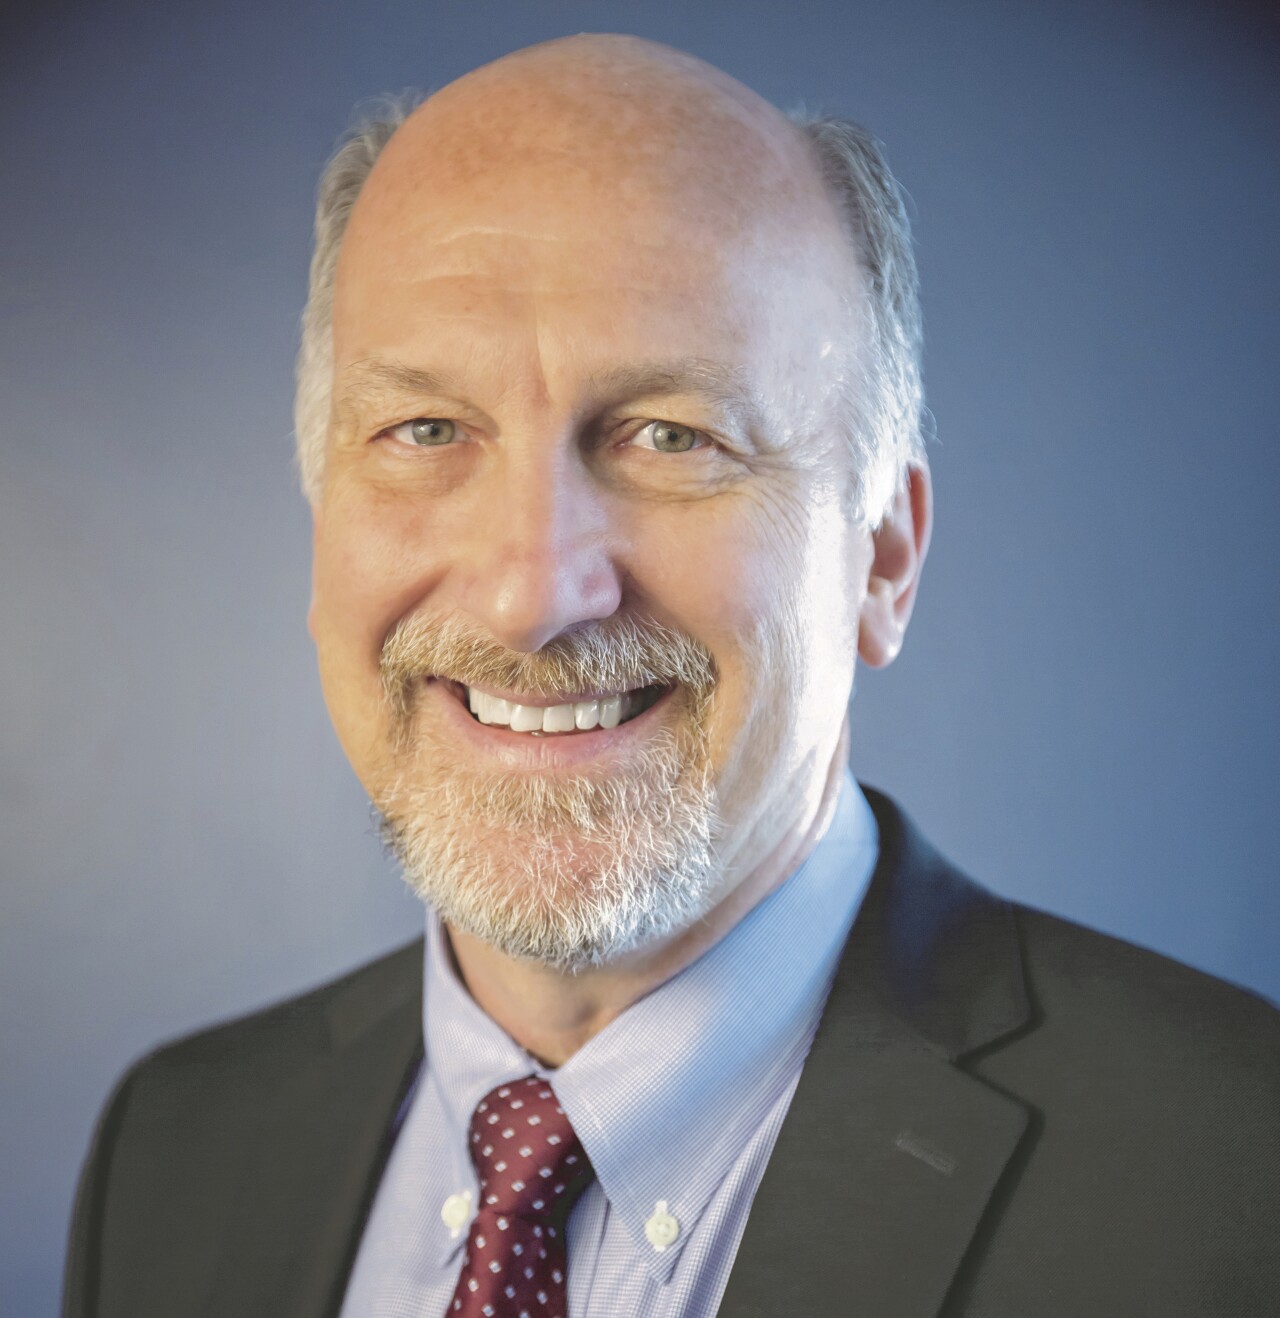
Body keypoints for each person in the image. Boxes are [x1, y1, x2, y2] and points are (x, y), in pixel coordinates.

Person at [63, 33, 1278, 1318]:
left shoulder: (1232, 1181)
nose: (530, 594)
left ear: (881, 557)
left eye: (670, 436)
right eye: (424, 429)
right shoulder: (178, 1147)